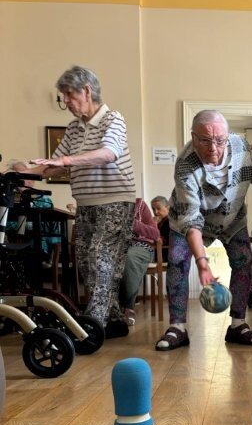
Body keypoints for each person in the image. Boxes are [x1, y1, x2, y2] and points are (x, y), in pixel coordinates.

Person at [24, 65, 136, 338]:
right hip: (85, 203)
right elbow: (53, 165)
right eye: (63, 96)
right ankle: (114, 320)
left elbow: (108, 153)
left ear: (86, 91)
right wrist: (21, 174)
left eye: (69, 95)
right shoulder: (74, 128)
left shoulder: (112, 118)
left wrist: (65, 161)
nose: (66, 102)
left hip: (114, 200)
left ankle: (89, 328)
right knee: (86, 261)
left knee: (100, 258)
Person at [155, 110, 252, 351]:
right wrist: (203, 262)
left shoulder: (242, 147)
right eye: (205, 140)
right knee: (177, 262)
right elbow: (191, 221)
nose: (214, 148)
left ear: (228, 136)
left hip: (232, 218)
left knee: (243, 260)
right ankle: (177, 328)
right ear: (193, 137)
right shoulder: (185, 165)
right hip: (189, 220)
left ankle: (238, 325)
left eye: (220, 140)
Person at [120, 197, 160, 326]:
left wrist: (133, 223)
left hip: (141, 246)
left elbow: (155, 234)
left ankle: (128, 307)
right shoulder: (104, 205)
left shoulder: (139, 205)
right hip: (116, 247)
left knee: (129, 257)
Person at [151, 195, 170, 260]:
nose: (155, 212)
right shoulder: (156, 221)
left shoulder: (171, 222)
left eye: (158, 208)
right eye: (153, 209)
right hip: (155, 255)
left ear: (167, 208)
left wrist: (154, 225)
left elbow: (159, 241)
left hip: (166, 256)